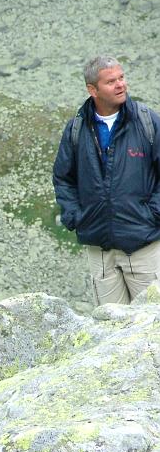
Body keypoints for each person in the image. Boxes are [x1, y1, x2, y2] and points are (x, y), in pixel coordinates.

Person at [53, 56, 160, 305]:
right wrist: (76, 217)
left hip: (143, 247)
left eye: (121, 77)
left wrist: (152, 214)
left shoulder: (147, 122)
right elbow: (63, 178)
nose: (121, 84)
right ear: (93, 90)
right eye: (111, 81)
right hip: (100, 252)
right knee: (110, 323)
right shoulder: (76, 128)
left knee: (152, 325)